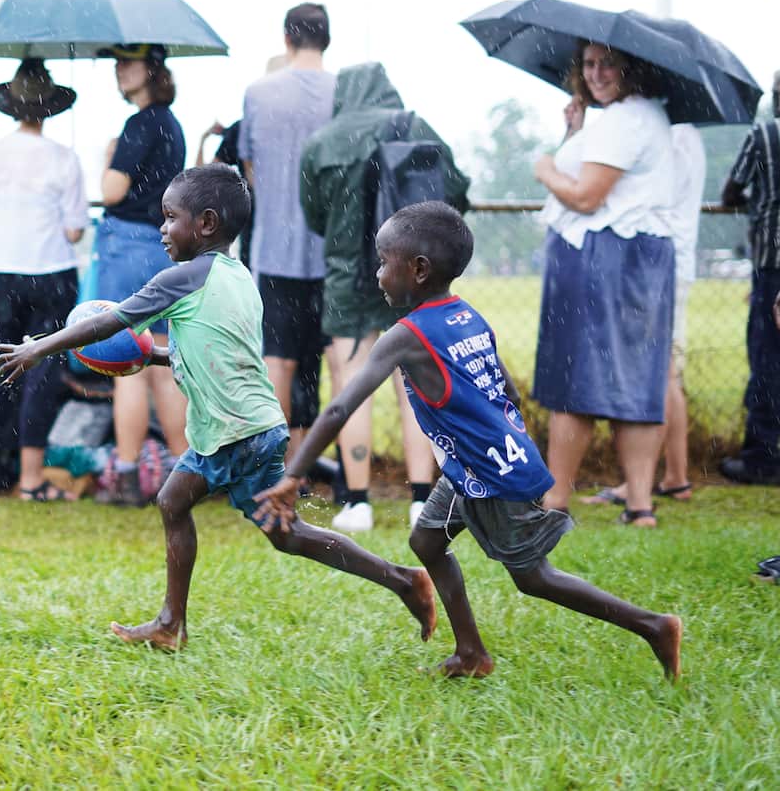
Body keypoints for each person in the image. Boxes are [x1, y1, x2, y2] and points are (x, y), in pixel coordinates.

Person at [0, 165, 437, 650]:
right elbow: (214, 350)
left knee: (177, 502)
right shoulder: (236, 276)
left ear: (205, 223)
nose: (162, 228)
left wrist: (40, 347)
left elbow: (111, 321)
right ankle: (402, 579)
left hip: (234, 431)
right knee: (282, 533)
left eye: (171, 217)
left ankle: (171, 624)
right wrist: (151, 356)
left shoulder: (182, 278)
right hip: (254, 425)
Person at [254, 202, 683, 681]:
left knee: (534, 578)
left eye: (383, 262)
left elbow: (339, 409)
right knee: (427, 540)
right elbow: (509, 392)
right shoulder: (467, 315)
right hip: (480, 464)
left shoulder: (406, 336)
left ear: (418, 270)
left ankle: (654, 626)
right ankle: (471, 653)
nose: (377, 274)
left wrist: (294, 474)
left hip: (491, 473)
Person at [300, 62, 470, 532]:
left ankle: (357, 502)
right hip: (413, 274)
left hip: (347, 277)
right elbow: (456, 191)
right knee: (417, 385)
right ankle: (422, 498)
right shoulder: (415, 127)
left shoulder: (322, 142)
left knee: (352, 386)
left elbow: (314, 216)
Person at [531, 41, 677, 526]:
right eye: (588, 64)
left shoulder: (621, 121)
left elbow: (586, 197)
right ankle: (639, 505)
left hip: (602, 257)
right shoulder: (642, 116)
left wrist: (545, 168)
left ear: (631, 67)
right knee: (637, 378)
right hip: (637, 257)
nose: (595, 73)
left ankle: (555, 500)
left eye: (607, 63)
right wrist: (573, 132)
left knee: (575, 379)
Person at [0, 59, 88, 501]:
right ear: (50, 108)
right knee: (43, 371)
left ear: (11, 105)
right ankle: (30, 479)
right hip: (53, 273)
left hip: (7, 273)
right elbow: (75, 231)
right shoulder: (65, 158)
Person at [584, 123, 705, 505]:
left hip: (658, 264)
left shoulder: (669, 137)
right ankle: (674, 476)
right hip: (669, 263)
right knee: (666, 371)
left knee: (656, 374)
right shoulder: (686, 136)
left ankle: (645, 482)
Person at [239, 4, 336, 472]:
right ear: (327, 39)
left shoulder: (259, 93)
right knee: (327, 362)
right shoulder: (343, 93)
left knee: (276, 360)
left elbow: (250, 169)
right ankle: (310, 469)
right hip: (331, 251)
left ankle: (272, 470)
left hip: (274, 248)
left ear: (287, 38)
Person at [94, 42, 189, 505]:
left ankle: (128, 474)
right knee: (165, 363)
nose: (119, 69)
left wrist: (109, 159)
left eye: (128, 61)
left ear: (152, 68)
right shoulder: (171, 125)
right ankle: (186, 471)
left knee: (127, 364)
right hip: (162, 248)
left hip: (127, 246)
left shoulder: (139, 124)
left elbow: (112, 191)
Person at [719, 70, 780, 485]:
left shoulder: (765, 134)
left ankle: (763, 458)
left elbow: (731, 190)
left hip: (772, 262)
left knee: (767, 360)